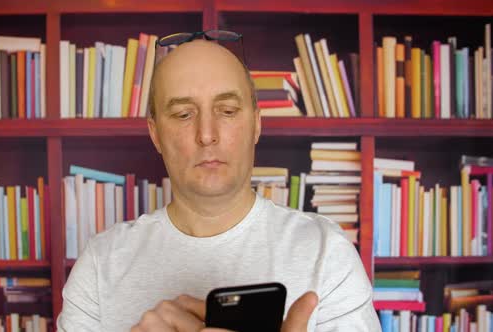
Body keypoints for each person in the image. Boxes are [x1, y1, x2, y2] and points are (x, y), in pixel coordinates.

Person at [57, 35, 381, 331]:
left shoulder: (327, 253)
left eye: (226, 110)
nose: (207, 134)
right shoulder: (101, 264)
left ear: (256, 124)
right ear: (155, 134)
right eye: (184, 114)